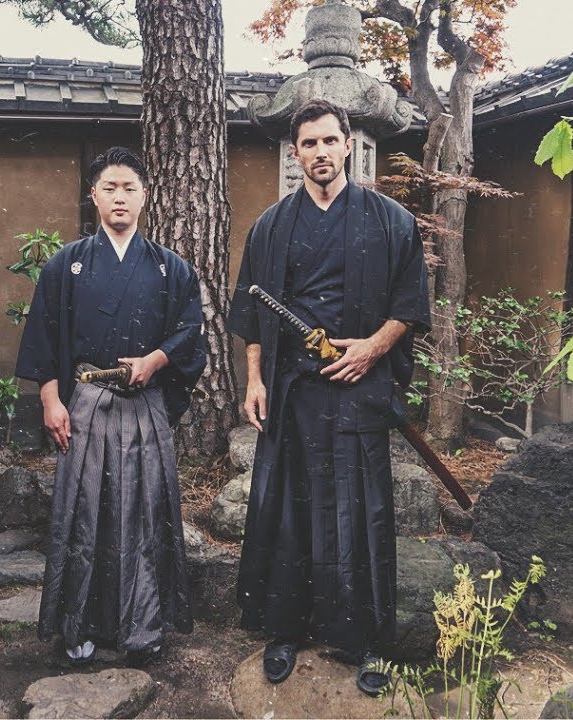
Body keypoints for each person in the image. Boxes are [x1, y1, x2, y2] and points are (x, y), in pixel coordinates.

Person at [226, 99, 431, 695]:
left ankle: (364, 640)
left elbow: (410, 305)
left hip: (357, 387)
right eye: (308, 143)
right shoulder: (271, 226)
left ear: (349, 146)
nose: (320, 152)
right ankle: (284, 630)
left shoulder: (390, 220)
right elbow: (251, 315)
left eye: (329, 141)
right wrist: (255, 380)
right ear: (295, 153)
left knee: (360, 514)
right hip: (292, 391)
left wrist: (372, 348)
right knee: (288, 511)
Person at [16, 146, 207, 667]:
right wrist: (50, 399)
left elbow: (191, 332)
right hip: (86, 403)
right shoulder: (66, 264)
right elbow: (43, 335)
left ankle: (143, 626)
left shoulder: (171, 268)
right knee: (84, 514)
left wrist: (157, 359)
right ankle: (79, 626)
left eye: (129, 188)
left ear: (145, 196)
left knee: (146, 513)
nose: (120, 197)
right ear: (94, 196)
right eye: (109, 188)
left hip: (144, 403)